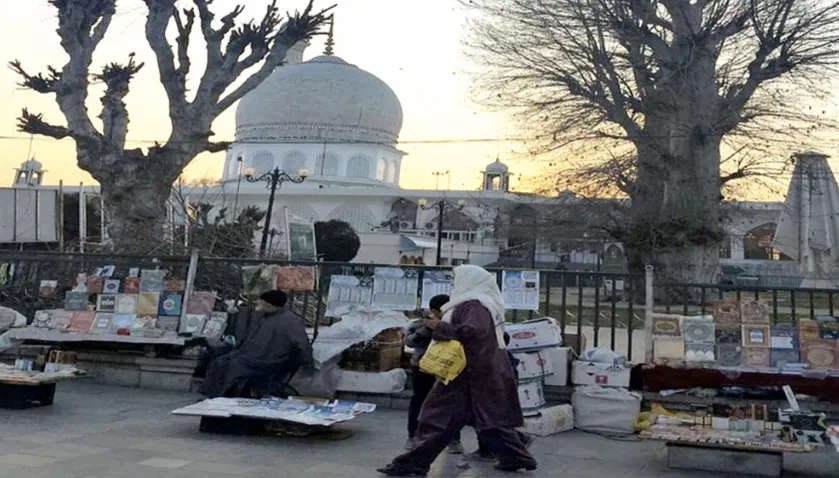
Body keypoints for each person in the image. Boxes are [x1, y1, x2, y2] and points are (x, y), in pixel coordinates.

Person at [378, 265, 537, 476]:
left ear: (469, 280)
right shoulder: (484, 303)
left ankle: (412, 464)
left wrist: (438, 327)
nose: (454, 284)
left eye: (457, 279)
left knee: (436, 418)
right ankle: (516, 457)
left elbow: (475, 332)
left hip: (463, 372)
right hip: (480, 371)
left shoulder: (473, 304)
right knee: (490, 420)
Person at [200, 290, 313, 398]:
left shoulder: (290, 320)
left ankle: (223, 395)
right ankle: (213, 396)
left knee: (232, 366)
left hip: (269, 361)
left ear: (269, 304)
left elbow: (301, 345)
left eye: (261, 301)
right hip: (252, 355)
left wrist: (304, 363)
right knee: (219, 361)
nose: (258, 303)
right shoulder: (267, 317)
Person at [405, 294, 463, 454]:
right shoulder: (419, 324)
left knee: (450, 404)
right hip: (423, 368)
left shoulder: (454, 323)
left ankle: (454, 439)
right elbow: (409, 341)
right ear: (434, 311)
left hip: (446, 369)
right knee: (419, 400)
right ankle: (413, 436)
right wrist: (428, 328)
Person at [466, 331, 533, 461]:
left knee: (487, 422)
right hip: (494, 392)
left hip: (495, 393)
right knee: (486, 421)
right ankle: (513, 441)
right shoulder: (498, 354)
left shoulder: (496, 356)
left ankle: (491, 450)